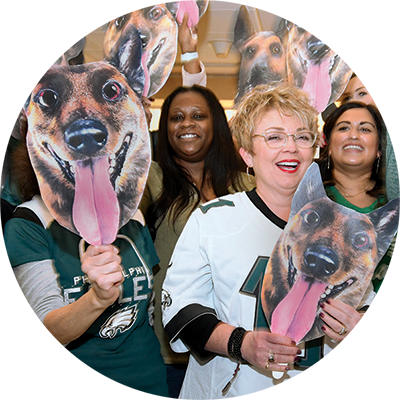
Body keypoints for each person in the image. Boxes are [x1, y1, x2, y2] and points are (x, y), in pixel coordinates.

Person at [161, 82, 383, 400]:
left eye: (301, 137)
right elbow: (181, 311)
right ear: (247, 154)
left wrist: (358, 328)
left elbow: (370, 311)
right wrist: (240, 343)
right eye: (274, 137)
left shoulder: (345, 226)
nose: (290, 148)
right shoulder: (213, 219)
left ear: (315, 150)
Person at [0, 142, 168, 399]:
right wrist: (97, 299)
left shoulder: (131, 216)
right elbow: (49, 332)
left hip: (144, 384)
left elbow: (147, 309)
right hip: (64, 388)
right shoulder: (31, 222)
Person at [140, 83, 251, 399]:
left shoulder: (247, 185)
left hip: (238, 347)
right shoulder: (152, 177)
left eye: (198, 116)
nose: (186, 124)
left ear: (215, 123)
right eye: (176, 117)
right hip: (171, 351)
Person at [317, 101, 400, 399]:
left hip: (394, 371)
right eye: (343, 128)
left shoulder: (394, 207)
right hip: (326, 369)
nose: (354, 135)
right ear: (327, 144)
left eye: (365, 129)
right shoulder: (309, 207)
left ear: (379, 148)